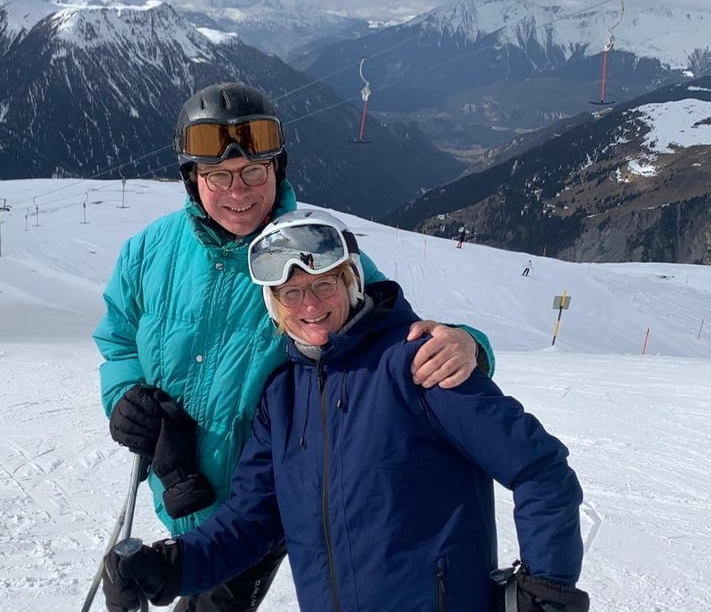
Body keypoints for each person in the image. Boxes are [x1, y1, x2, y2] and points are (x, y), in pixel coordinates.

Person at [93, 82, 495, 612]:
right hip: (179, 486)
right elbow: (118, 338)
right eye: (218, 176)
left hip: (266, 498)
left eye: (253, 173)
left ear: (276, 170)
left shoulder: (312, 249)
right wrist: (122, 395)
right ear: (192, 179)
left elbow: (395, 335)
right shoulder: (148, 251)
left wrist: (468, 344)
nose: (238, 191)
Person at [102, 210, 589, 612]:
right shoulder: (281, 400)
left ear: (352, 281)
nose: (309, 304)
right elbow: (248, 524)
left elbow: (540, 468)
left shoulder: (415, 364)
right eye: (290, 293)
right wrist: (167, 568)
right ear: (274, 304)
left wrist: (547, 592)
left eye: (324, 285)